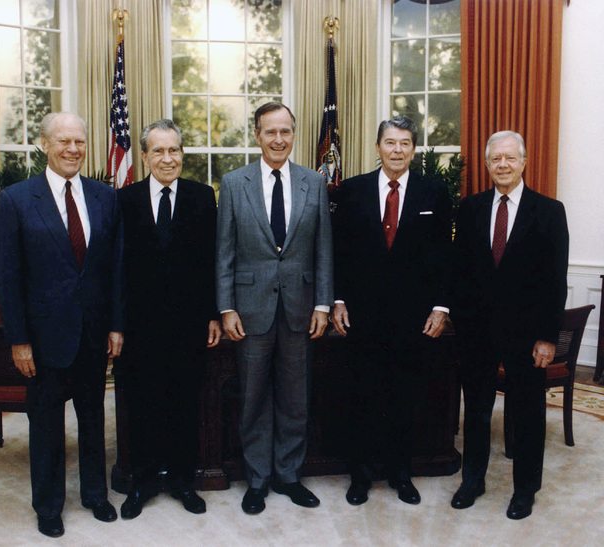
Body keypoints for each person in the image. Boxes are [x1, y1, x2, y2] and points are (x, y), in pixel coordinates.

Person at [0, 112, 123, 538]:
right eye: (64, 141)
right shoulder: (16, 199)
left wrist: (115, 325)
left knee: (92, 419)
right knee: (46, 426)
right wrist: (19, 341)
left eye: (80, 142)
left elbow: (114, 270)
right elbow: (9, 277)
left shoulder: (105, 197)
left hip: (92, 333)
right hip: (44, 338)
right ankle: (48, 505)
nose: (73, 150)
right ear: (45, 145)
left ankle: (95, 496)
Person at [216, 102, 333, 514]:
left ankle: (288, 475)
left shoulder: (312, 182)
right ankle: (257, 480)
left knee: (295, 397)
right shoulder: (233, 183)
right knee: (253, 397)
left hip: (301, 308)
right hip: (249, 310)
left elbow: (323, 249)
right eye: (270, 132)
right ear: (257, 135)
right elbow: (224, 252)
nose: (279, 139)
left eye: (285, 131)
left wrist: (322, 302)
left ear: (294, 134)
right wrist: (226, 307)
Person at [332, 116, 452, 507]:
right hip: (362, 316)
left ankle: (401, 473)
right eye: (390, 142)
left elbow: (444, 257)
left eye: (405, 143)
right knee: (361, 396)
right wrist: (338, 299)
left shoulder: (435, 193)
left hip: (412, 317)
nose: (397, 150)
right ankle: (360, 476)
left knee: (404, 397)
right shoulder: (351, 191)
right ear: (377, 146)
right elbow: (338, 253)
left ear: (413, 149)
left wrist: (440, 306)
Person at [450, 130, 569, 520]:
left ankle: (525, 490)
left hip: (527, 336)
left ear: (523, 162)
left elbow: (555, 280)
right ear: (487, 165)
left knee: (529, 413)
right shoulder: (469, 208)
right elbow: (461, 273)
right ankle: (473, 480)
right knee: (478, 411)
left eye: (510, 158)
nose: (502, 165)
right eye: (495, 159)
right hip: (477, 333)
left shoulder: (549, 210)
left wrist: (548, 338)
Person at [117, 119, 221, 519]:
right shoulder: (124, 200)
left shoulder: (200, 197)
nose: (167, 158)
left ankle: (182, 482)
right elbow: (117, 268)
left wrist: (212, 314)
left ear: (182, 154)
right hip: (139, 327)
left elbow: (212, 260)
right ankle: (142, 483)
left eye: (174, 150)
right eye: (158, 151)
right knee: (141, 406)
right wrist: (118, 324)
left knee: (183, 405)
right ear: (144, 156)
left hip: (188, 325)